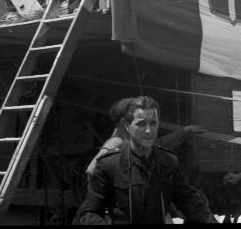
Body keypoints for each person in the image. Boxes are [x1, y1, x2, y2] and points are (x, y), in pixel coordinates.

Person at [79, 95, 217, 224]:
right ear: (127, 126)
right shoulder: (109, 164)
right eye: (141, 124)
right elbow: (88, 213)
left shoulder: (169, 163)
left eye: (153, 123)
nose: (148, 131)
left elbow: (193, 206)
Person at [85, 97, 206, 178]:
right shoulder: (116, 142)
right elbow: (92, 170)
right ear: (125, 122)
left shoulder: (135, 141)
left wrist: (185, 131)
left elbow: (161, 144)